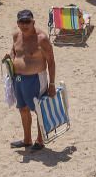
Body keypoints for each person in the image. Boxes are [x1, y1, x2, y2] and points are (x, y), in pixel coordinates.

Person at [6, 9, 57, 151]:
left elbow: (51, 62)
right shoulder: (16, 35)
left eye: (27, 22)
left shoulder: (42, 38)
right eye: (21, 22)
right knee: (23, 109)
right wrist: (9, 58)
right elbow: (14, 51)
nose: (24, 25)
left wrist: (51, 84)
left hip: (36, 79)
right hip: (19, 79)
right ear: (17, 23)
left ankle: (40, 141)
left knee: (39, 110)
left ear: (33, 21)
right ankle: (27, 139)